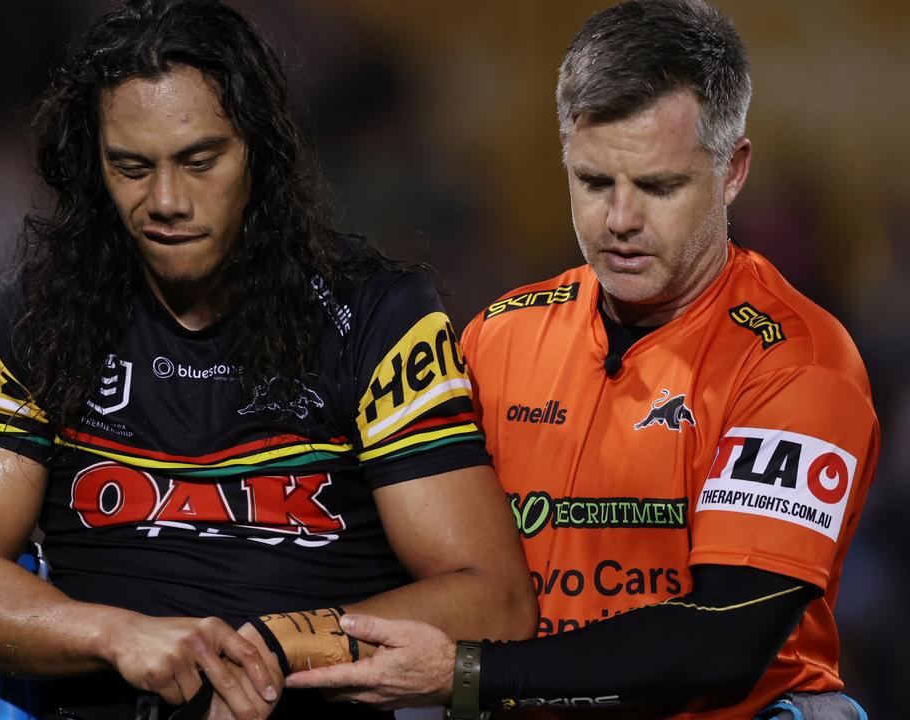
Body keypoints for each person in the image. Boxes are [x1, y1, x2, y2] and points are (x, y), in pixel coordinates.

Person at [0, 1, 536, 719]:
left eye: (199, 160)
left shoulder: (376, 319)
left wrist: (277, 649)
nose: (166, 201)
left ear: (258, 153)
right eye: (131, 168)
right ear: (94, 166)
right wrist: (117, 635)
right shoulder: (33, 316)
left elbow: (493, 597)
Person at [285, 1, 879, 719]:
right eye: (593, 181)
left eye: (658, 186)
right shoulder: (495, 336)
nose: (619, 220)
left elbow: (726, 637)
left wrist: (471, 674)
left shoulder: (796, 363)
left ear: (731, 173)